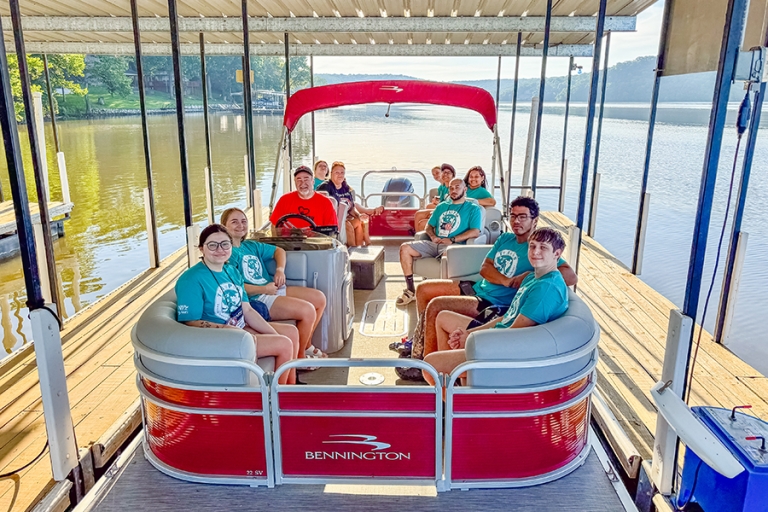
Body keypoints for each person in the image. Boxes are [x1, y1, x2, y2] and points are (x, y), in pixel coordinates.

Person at [408, 196, 577, 358]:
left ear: (535, 220)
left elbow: (571, 277)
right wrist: (506, 281)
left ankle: (423, 359)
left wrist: (531, 274)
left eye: (523, 217)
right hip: (478, 287)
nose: (516, 221)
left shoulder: (537, 250)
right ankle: (419, 341)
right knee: (424, 289)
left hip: (492, 301)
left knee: (436, 305)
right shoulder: (505, 238)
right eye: (513, 216)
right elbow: (485, 268)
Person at [422, 227, 570, 385]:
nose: (535, 252)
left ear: (557, 254)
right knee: (443, 317)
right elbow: (506, 317)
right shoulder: (532, 278)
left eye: (543, 247)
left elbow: (515, 334)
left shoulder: (546, 288)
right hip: (498, 336)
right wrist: (469, 333)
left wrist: (473, 340)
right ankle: (455, 384)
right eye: (532, 246)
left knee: (430, 365)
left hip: (503, 350)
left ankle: (452, 395)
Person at [175, 224, 300, 385]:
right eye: (212, 245)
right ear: (201, 249)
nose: (220, 249)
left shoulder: (232, 271)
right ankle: (275, 395)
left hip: (240, 328)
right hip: (220, 338)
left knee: (291, 332)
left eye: (225, 244)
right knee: (284, 344)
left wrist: (273, 334)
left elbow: (247, 310)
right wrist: (227, 329)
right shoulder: (190, 279)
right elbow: (190, 321)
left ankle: (290, 387)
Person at [222, 207, 329, 360]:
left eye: (244, 221)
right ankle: (299, 358)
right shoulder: (226, 254)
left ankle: (306, 346)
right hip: (256, 298)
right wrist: (264, 289)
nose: (241, 225)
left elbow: (279, 251)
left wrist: (280, 270)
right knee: (308, 311)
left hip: (271, 289)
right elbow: (234, 288)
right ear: (224, 226)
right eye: (234, 222)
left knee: (319, 299)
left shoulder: (251, 246)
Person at [396, 178, 483, 306]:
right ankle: (410, 290)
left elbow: (475, 231)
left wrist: (452, 239)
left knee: (447, 255)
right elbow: (429, 226)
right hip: (434, 243)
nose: (453, 190)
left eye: (457, 187)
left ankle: (443, 294)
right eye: (451, 188)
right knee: (405, 248)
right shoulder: (441, 206)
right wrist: (432, 236)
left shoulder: (473, 209)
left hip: (454, 246)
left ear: (465, 189)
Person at [316, 161, 384, 246]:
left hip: (346, 218)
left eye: (342, 173)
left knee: (359, 222)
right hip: (332, 222)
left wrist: (359, 215)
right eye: (337, 172)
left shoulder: (346, 188)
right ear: (331, 173)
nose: (340, 175)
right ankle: (350, 250)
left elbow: (352, 208)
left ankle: (359, 247)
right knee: (348, 226)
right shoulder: (325, 187)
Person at [270, 165, 339, 233]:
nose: (303, 183)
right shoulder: (284, 200)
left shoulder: (325, 203)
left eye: (306, 179)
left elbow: (332, 231)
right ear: (295, 182)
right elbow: (274, 226)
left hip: (315, 240)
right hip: (288, 239)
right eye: (299, 179)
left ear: (313, 181)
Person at [414, 163, 456, 232]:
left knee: (421, 220)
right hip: (443, 209)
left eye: (448, 173)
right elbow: (444, 201)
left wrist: (436, 209)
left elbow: (452, 205)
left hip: (448, 214)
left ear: (453, 175)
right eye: (444, 173)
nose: (445, 175)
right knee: (422, 212)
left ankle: (421, 234)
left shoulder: (454, 189)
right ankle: (418, 235)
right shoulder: (442, 187)